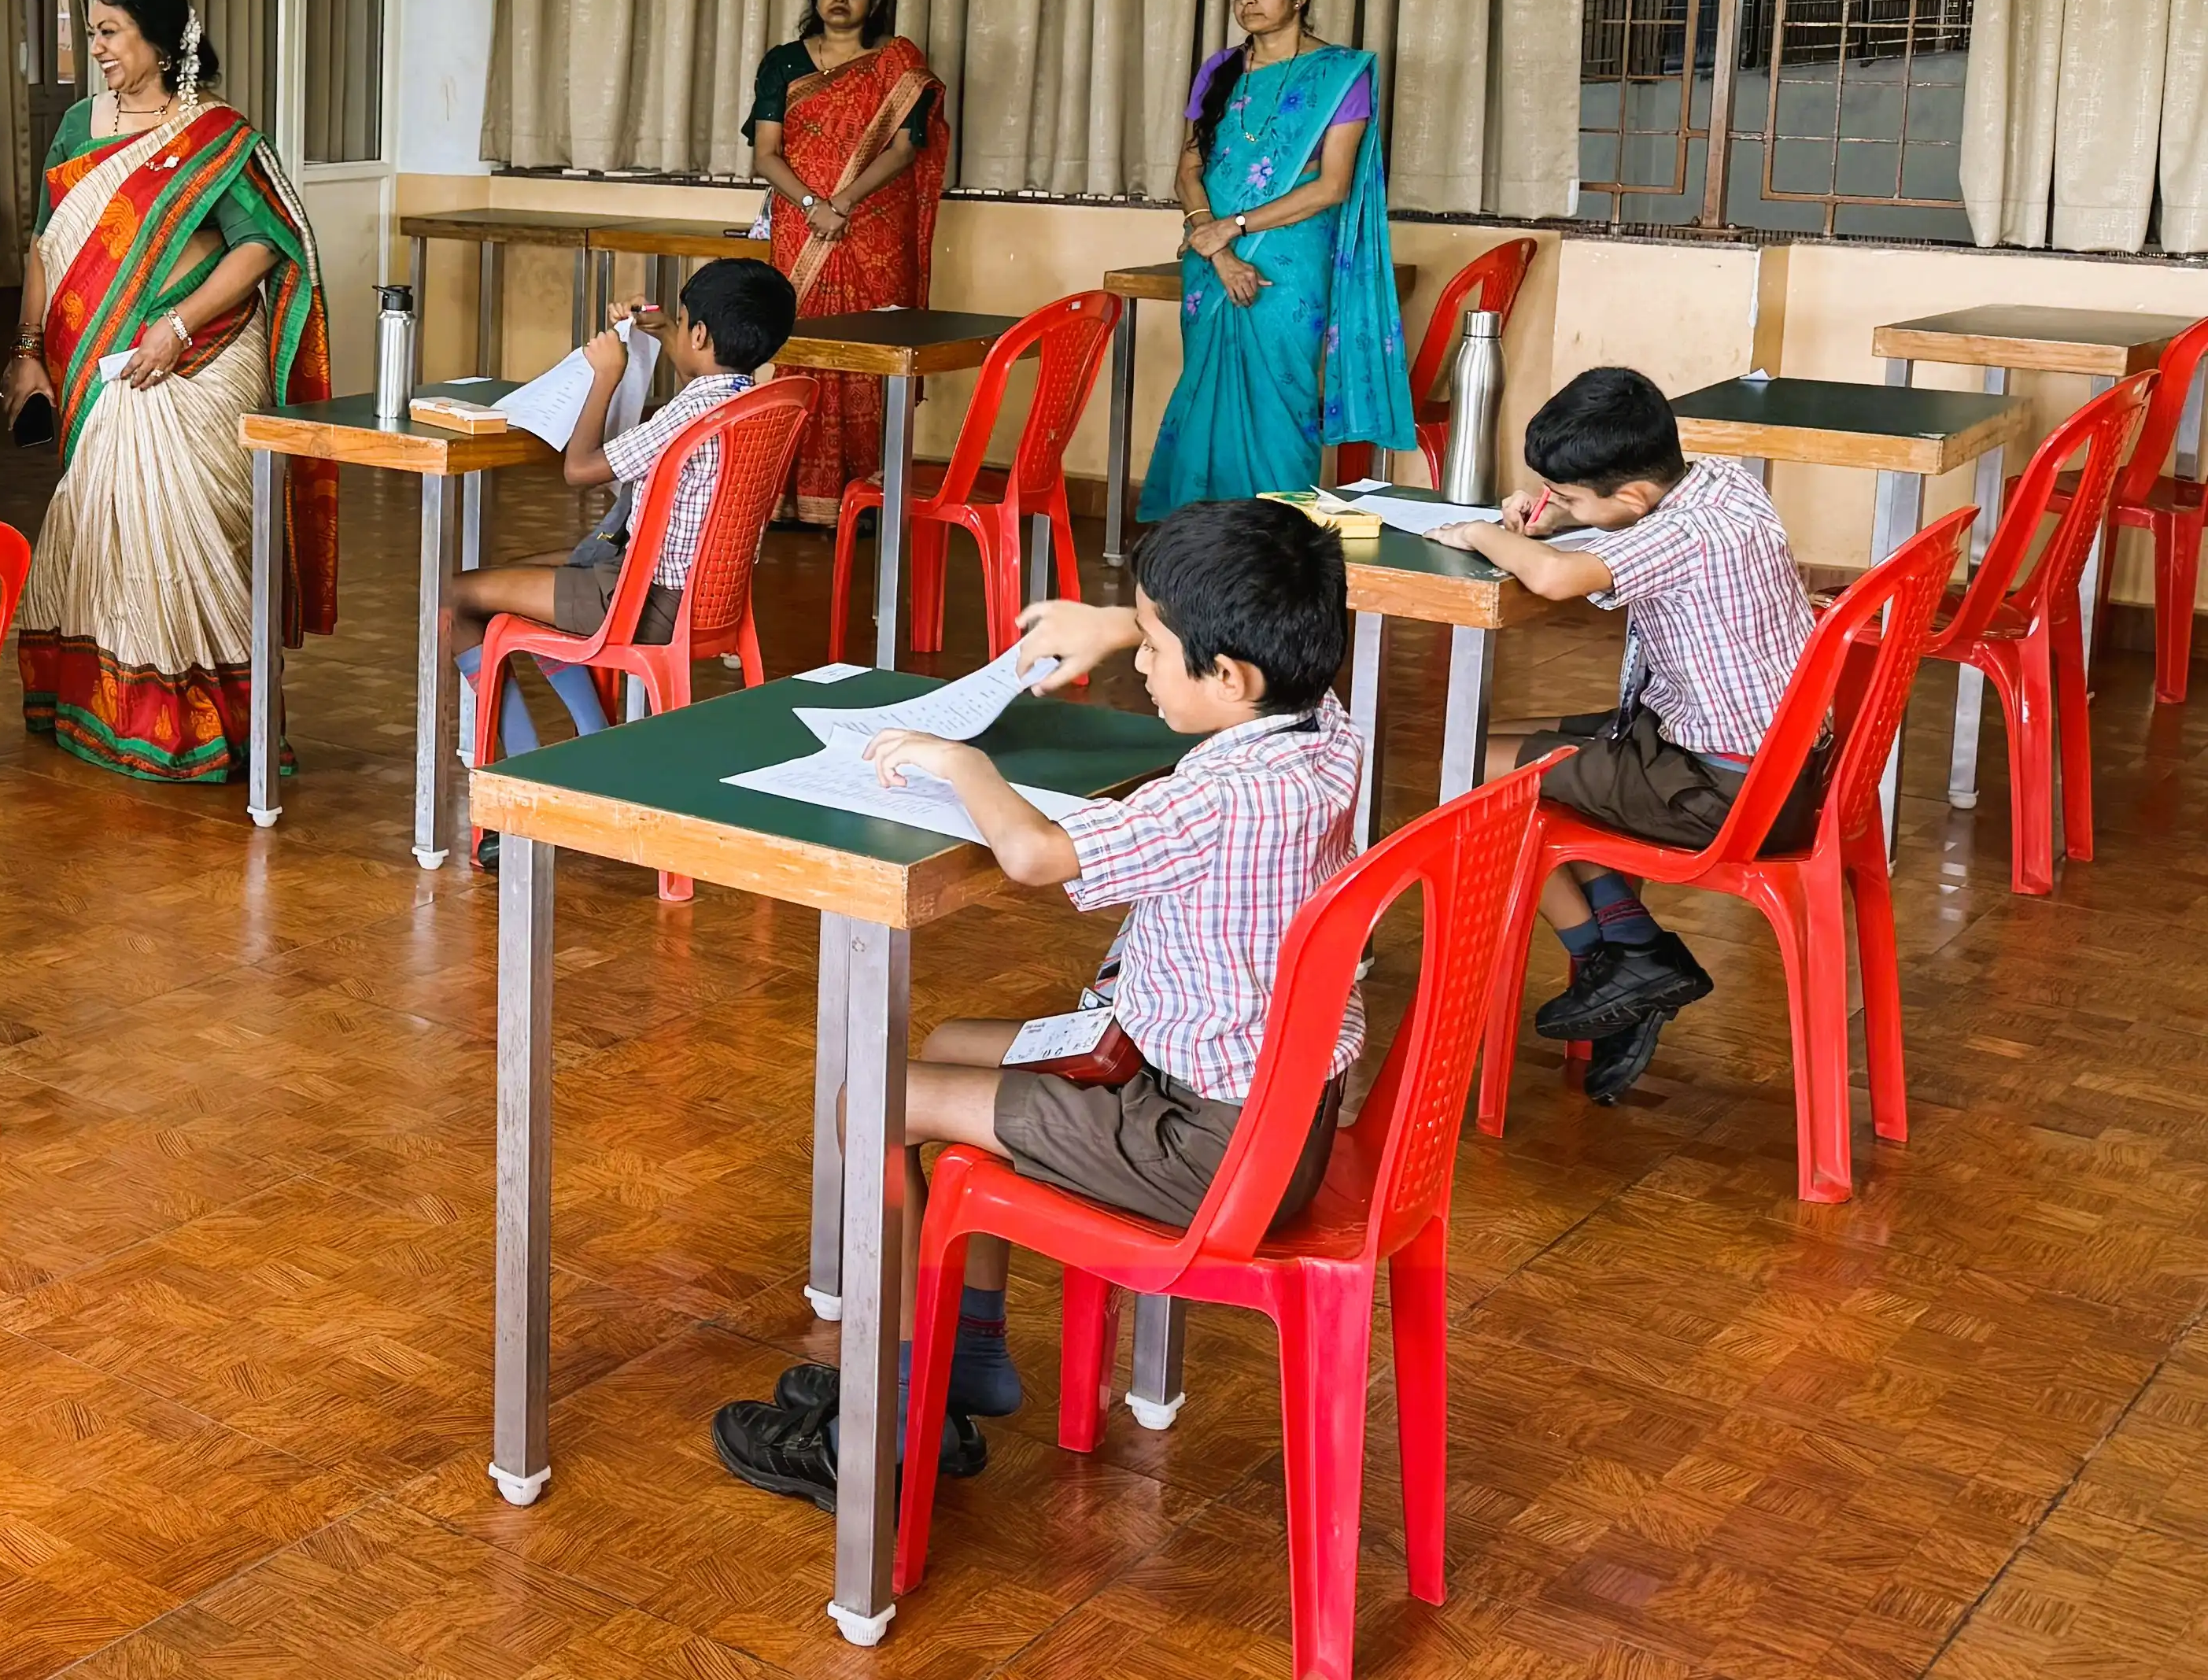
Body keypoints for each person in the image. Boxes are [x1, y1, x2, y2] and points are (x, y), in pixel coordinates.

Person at [709, 500, 1362, 1508]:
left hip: (1204, 1143)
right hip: (1281, 1109)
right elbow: (1234, 661)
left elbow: (1033, 854)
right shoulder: (1323, 732)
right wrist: (1120, 622)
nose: (1139, 662)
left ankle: (881, 1426)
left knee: (869, 1103)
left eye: (1152, 645)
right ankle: (962, 1366)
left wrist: (960, 761)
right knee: (943, 1046)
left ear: (1230, 676)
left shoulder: (1214, 797)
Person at [1440, 366, 1815, 1103]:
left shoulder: (1683, 532)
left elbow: (1551, 580)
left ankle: (1617, 951)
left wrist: (1484, 532)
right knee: (1490, 738)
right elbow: (1584, 543)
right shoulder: (1720, 485)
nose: (1559, 505)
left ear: (1635, 495)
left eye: (1572, 495)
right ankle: (1627, 947)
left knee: (1474, 773)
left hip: (1720, 789)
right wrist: (1565, 519)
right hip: (1773, 764)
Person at [2, 0, 334, 782]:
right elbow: (47, 246)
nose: (98, 49)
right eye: (93, 34)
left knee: (199, 539)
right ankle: (109, 714)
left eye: (111, 33)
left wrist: (176, 327)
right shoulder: (81, 125)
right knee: (103, 525)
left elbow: (263, 246)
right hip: (101, 365)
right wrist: (26, 349)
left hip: (200, 358)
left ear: (160, 37)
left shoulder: (217, 134)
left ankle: (209, 728)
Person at [444, 257, 799, 776]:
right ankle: (595, 738)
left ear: (699, 334)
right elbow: (696, 358)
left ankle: (517, 769)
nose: (672, 330)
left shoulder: (687, 413)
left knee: (454, 594)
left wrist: (605, 376)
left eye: (680, 322)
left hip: (644, 600)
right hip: (704, 593)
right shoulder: (756, 400)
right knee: (533, 576)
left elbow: (580, 469)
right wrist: (660, 321)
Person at [1138, 0, 1412, 515]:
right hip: (1211, 262)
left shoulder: (1339, 75)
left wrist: (1233, 227)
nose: (1248, 1)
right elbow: (1189, 171)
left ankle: (1280, 541)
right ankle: (1200, 544)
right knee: (1203, 396)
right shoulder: (1219, 71)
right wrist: (1216, 248)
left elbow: (1331, 185)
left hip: (1288, 263)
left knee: (1283, 398)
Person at [744, 0, 945, 514]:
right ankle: (790, 498)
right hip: (801, 223)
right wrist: (812, 203)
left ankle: (868, 497)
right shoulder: (783, 62)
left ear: (875, 0)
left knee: (870, 351)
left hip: (872, 228)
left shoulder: (897, 66)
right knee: (799, 344)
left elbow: (906, 149)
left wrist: (843, 201)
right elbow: (766, 153)